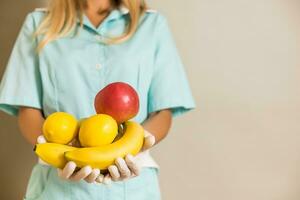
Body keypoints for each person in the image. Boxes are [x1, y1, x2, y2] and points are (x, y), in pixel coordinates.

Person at [0, 0, 196, 199]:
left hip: (134, 187)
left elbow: (163, 112)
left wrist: (134, 146)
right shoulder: (39, 23)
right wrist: (60, 156)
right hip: (55, 187)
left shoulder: (152, 24)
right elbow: (27, 110)